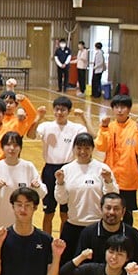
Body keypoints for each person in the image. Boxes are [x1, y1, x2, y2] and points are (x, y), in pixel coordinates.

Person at [53, 132, 118, 275]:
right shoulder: (67, 169)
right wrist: (60, 183)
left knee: (95, 261)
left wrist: (108, 181)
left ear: (92, 149)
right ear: (74, 148)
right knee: (68, 259)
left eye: (86, 148)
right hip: (73, 223)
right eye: (79, 148)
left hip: (95, 225)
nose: (83, 152)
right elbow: (61, 199)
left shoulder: (102, 169)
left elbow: (113, 196)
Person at [36, 96, 89, 235]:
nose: (59, 112)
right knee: (49, 212)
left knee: (66, 214)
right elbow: (30, 135)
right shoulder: (46, 126)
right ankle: (47, 243)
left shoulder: (76, 128)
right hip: (49, 170)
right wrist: (38, 117)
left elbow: (93, 136)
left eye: (63, 110)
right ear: (53, 110)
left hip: (69, 170)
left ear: (69, 111)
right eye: (57, 109)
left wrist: (83, 117)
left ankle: (64, 243)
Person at [95, 95, 138, 226]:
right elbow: (101, 146)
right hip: (110, 176)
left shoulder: (135, 127)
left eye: (123, 107)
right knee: (108, 210)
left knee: (127, 213)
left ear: (129, 109)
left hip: (128, 178)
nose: (119, 110)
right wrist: (104, 128)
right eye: (116, 107)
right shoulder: (109, 126)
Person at [0, 131, 45, 231]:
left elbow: (42, 194)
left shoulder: (28, 166)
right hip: (1, 220)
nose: (12, 148)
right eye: (8, 145)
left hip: (24, 221)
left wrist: (37, 187)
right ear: (2, 147)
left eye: (16, 145)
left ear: (20, 148)